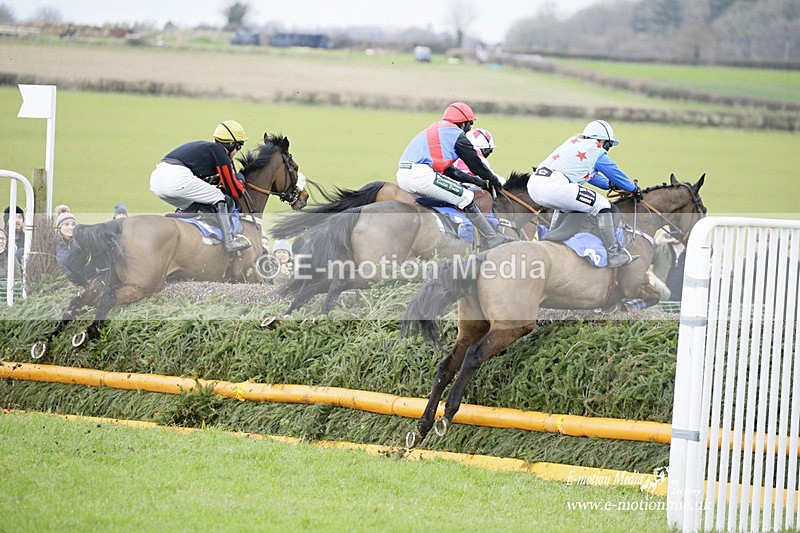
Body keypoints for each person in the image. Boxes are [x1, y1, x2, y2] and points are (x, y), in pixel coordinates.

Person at [529, 120, 642, 268]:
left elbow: (591, 176)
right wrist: (633, 189)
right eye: (608, 145)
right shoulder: (596, 149)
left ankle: (550, 239)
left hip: (535, 184)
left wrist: (609, 185)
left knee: (575, 206)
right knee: (603, 205)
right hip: (554, 186)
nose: (607, 149)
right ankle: (614, 255)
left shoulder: (573, 143)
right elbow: (615, 172)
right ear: (601, 140)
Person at [396, 102, 508, 249]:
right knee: (466, 196)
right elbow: (476, 165)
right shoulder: (456, 135)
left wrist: (476, 181)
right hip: (421, 175)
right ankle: (493, 238)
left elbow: (450, 171)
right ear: (462, 124)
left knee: (447, 195)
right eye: (469, 125)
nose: (468, 130)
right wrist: (494, 181)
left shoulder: (438, 128)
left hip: (404, 174)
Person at [149, 120, 250, 253]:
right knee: (220, 198)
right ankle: (229, 241)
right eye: (239, 146)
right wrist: (241, 180)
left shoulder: (206, 149)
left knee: (193, 203)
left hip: (157, 180)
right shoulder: (219, 152)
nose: (237, 151)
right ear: (231, 144)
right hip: (176, 177)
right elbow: (234, 191)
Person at [650, 230, 686, 300]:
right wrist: (656, 242)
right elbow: (646, 258)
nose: (676, 236)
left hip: (683, 303)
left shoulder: (691, 251)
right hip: (661, 301)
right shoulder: (662, 248)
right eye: (674, 233)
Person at [54, 205, 78, 270]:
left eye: (73, 224)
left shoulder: (79, 244)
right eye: (66, 224)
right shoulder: (52, 244)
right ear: (59, 227)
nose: (71, 228)